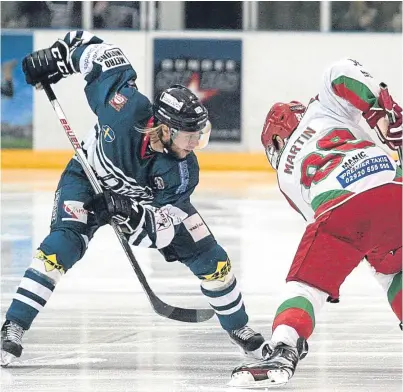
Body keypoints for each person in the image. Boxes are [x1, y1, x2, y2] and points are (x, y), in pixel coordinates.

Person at [1, 30, 269, 366]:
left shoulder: (183, 172)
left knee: (212, 259)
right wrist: (56, 57)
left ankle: (239, 328)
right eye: (190, 136)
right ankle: (13, 325)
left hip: (140, 207)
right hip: (87, 180)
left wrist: (127, 211)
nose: (194, 145)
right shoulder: (122, 107)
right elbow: (98, 50)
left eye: (199, 136)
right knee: (60, 248)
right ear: (166, 128)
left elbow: (162, 230)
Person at [230, 58, 402, 388]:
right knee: (393, 268)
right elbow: (341, 71)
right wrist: (381, 109)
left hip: (343, 209)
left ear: (277, 140)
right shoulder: (326, 109)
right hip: (396, 187)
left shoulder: (284, 176)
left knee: (307, 286)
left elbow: (328, 222)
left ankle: (284, 347)